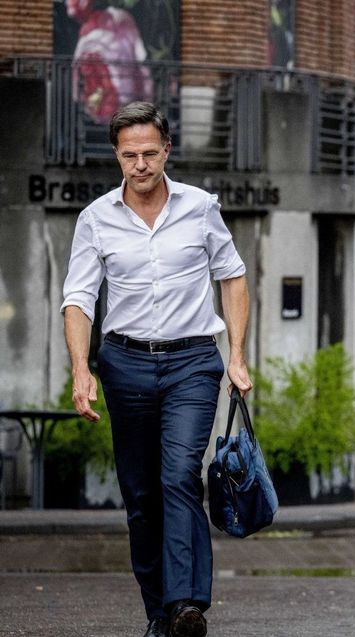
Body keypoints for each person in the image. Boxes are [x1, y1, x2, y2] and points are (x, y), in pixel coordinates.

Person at [61, 101, 252, 637]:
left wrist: (235, 354)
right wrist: (82, 369)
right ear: (116, 156)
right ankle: (157, 613)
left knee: (178, 478)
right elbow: (78, 296)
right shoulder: (95, 219)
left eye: (149, 152)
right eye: (129, 155)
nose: (140, 164)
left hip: (193, 361)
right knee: (141, 497)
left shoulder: (201, 207)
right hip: (124, 363)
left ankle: (187, 604)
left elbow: (232, 278)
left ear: (167, 150)